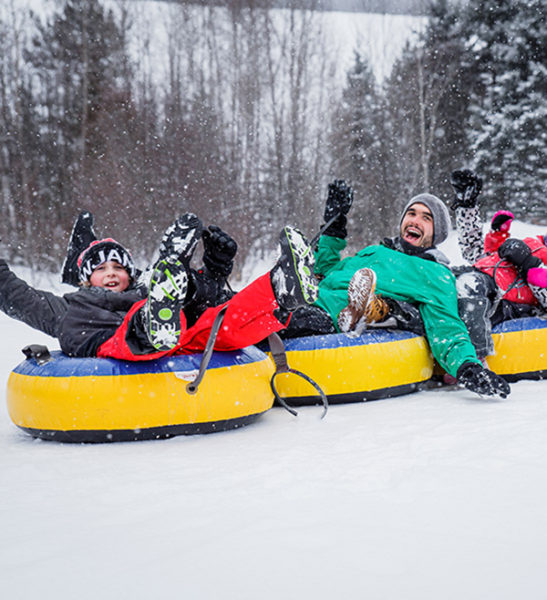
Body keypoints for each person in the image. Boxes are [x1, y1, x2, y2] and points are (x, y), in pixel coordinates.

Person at [281, 180, 510, 399]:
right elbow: (328, 272)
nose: (415, 221)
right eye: (411, 214)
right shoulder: (374, 251)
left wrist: (467, 366)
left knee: (283, 317)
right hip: (312, 294)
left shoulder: (435, 273)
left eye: (426, 218)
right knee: (263, 303)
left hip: (328, 312)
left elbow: (446, 325)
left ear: (436, 232)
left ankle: (351, 312)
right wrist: (334, 225)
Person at [0, 214, 318, 361]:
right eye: (100, 269)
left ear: (130, 273)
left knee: (216, 325)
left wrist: (213, 274)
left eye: (118, 267)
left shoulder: (139, 291)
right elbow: (15, 295)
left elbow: (212, 304)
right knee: (135, 326)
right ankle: (154, 323)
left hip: (171, 333)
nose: (111, 273)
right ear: (85, 279)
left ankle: (280, 289)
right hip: (107, 342)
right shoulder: (68, 307)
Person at [449, 169, 547, 358]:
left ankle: (475, 359)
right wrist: (466, 206)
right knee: (435, 276)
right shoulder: (535, 242)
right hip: (477, 277)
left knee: (468, 286)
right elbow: (474, 253)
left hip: (502, 301)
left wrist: (530, 265)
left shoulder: (532, 254)